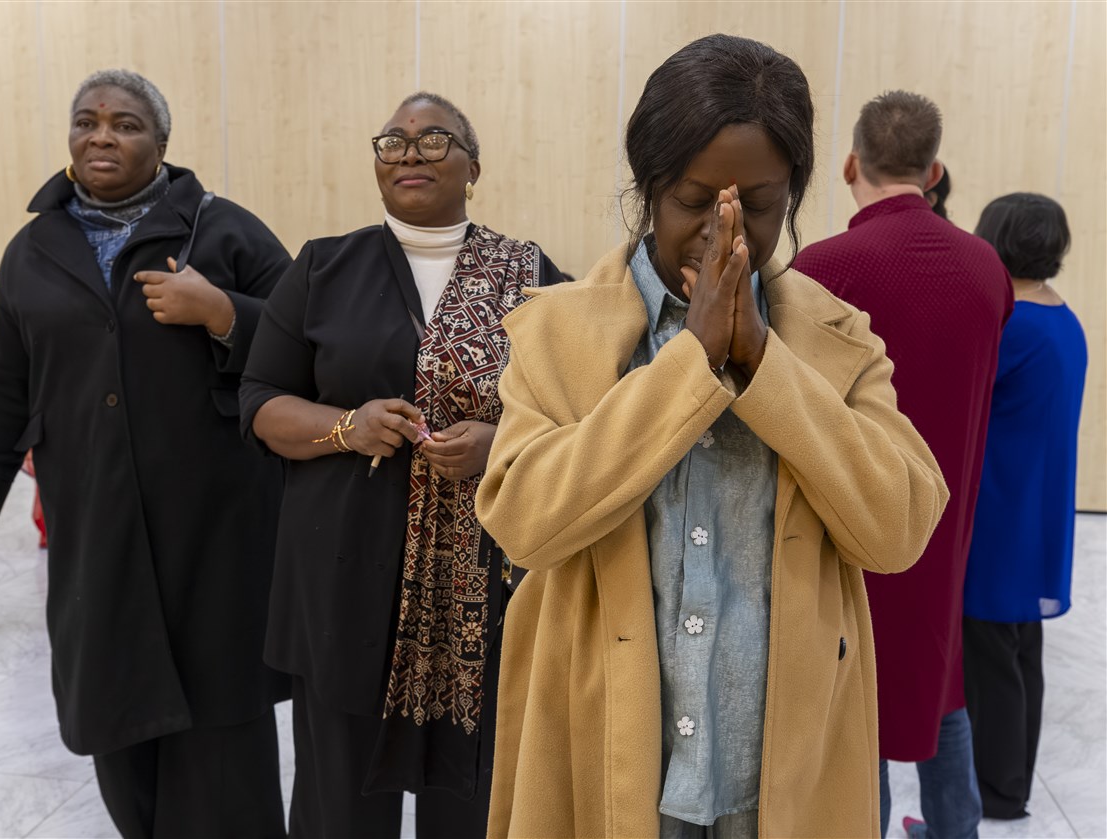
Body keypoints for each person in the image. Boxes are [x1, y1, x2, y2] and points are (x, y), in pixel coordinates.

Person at [475, 35, 948, 839]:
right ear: (647, 189)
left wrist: (765, 365)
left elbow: (897, 528)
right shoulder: (555, 332)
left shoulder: (838, 339)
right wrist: (689, 363)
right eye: (693, 200)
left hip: (782, 778)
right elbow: (524, 521)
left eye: (755, 205)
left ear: (792, 195)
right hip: (603, 759)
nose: (721, 230)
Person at [0, 69, 290, 838]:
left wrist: (225, 313)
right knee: (115, 707)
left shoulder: (225, 232)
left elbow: (309, 344)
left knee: (220, 721)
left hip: (214, 524)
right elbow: (1, 384)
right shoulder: (34, 250)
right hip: (94, 520)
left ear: (161, 143)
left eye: (125, 124)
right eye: (86, 121)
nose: (102, 136)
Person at [239, 92, 563, 839]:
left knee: (476, 803)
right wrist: (346, 427)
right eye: (394, 141)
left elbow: (578, 413)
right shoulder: (324, 266)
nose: (411, 152)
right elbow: (260, 401)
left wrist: (499, 441)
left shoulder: (531, 275)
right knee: (339, 806)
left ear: (473, 167)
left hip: (481, 594)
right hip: (342, 581)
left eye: (434, 138)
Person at [795, 91, 1014, 839]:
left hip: (848, 520)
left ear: (849, 165)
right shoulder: (987, 268)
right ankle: (956, 829)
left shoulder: (821, 268)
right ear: (934, 171)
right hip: (947, 520)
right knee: (939, 679)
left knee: (858, 691)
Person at [963, 193, 1087, 822]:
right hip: (1034, 511)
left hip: (998, 514)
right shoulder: (1064, 320)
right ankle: (1010, 784)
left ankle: (998, 792)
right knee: (1018, 650)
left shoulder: (1011, 326)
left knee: (990, 657)